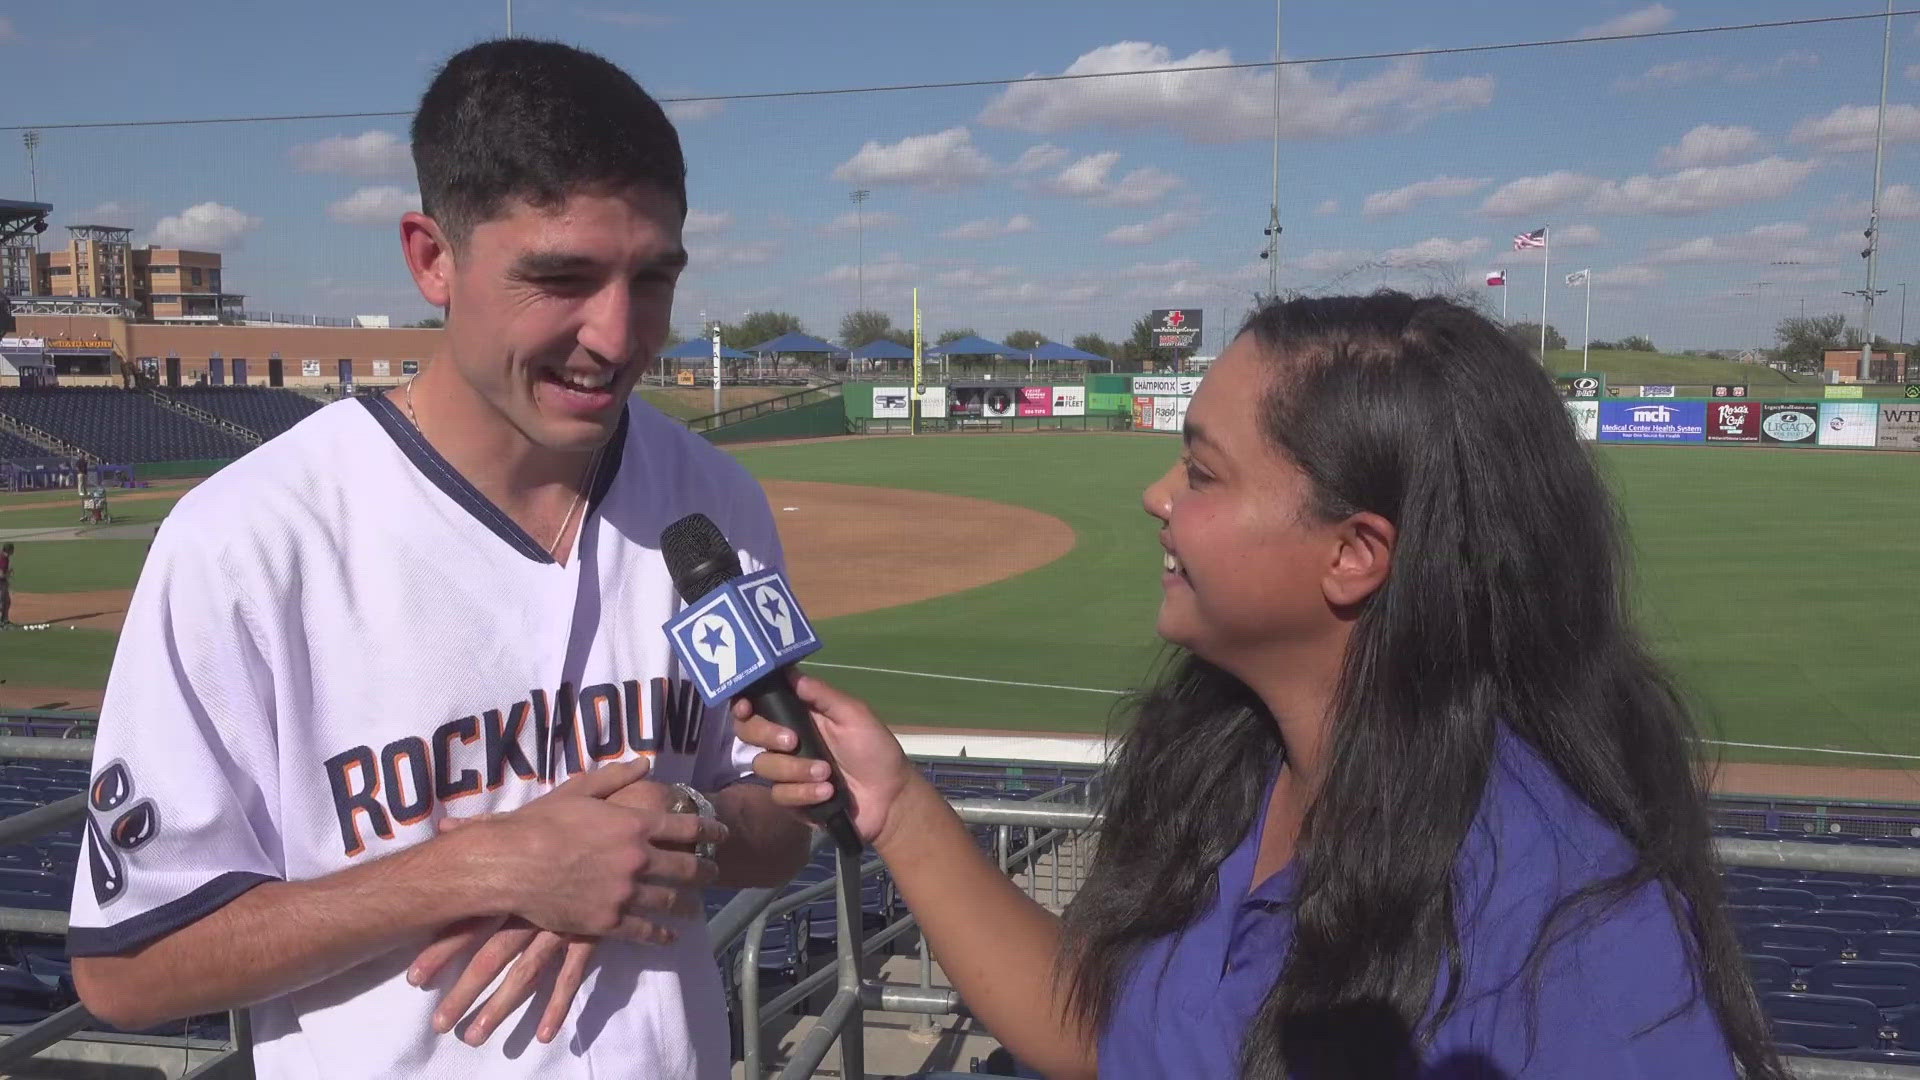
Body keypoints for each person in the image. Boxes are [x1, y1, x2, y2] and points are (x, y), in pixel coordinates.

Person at [733, 293, 1786, 1079]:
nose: (1155, 499)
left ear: (1354, 555)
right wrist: (901, 808)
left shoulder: (1572, 915)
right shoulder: (1239, 764)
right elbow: (1113, 1037)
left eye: (1200, 472)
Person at [67, 39, 814, 1078]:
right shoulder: (248, 540)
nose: (616, 334)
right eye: (560, 277)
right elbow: (128, 965)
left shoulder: (715, 506)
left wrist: (685, 823)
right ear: (432, 258)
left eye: (652, 279)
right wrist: (482, 866)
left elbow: (786, 821)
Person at [0, 542, 13, 627]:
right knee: (4, 602)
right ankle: (4, 621)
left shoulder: (3, 556)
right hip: (1, 582)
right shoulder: (4, 559)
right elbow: (1, 574)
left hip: (2, 582)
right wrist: (9, 573)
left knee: (6, 601)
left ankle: (4, 620)